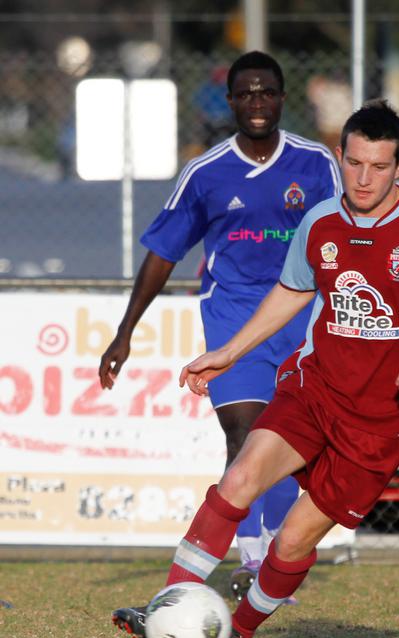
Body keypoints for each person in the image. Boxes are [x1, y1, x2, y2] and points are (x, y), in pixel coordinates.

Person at [113, 100, 399, 638]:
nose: (364, 178)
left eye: (380, 166)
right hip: (313, 389)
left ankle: (239, 635)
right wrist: (226, 352)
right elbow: (292, 290)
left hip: (381, 419)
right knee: (241, 476)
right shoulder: (319, 221)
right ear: (340, 156)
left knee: (293, 540)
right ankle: (167, 606)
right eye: (355, 163)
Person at [99, 51, 342, 606]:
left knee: (293, 441)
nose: (257, 102)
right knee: (245, 431)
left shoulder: (315, 164)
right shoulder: (206, 173)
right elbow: (163, 253)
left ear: (283, 98)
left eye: (267, 92)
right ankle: (254, 560)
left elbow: (342, 236)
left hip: (300, 317)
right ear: (230, 102)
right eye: (246, 93)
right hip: (232, 315)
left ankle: (276, 554)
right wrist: (125, 330)